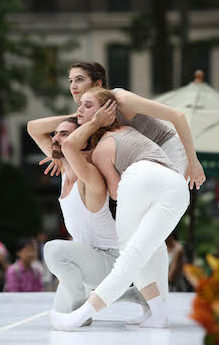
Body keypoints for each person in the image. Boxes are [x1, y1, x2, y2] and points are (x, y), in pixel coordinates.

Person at [49, 87, 190, 331]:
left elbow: (115, 191)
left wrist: (94, 125)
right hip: (176, 188)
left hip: (139, 178)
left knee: (130, 255)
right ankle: (158, 315)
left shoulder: (104, 147)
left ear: (108, 112)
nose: (80, 109)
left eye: (88, 105)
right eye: (80, 105)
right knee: (145, 252)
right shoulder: (130, 130)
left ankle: (81, 314)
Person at [28, 117, 149, 323]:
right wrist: (83, 116)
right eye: (55, 134)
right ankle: (132, 294)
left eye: (64, 134)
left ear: (83, 142)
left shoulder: (89, 175)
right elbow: (33, 128)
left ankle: (81, 309)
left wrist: (90, 124)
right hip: (89, 260)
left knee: (53, 250)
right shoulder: (65, 170)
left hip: (112, 260)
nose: (55, 139)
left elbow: (74, 150)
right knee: (57, 312)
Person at [39, 61, 205, 191]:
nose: (73, 86)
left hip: (167, 148)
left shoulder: (122, 100)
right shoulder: (87, 115)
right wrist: (59, 154)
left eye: (79, 80)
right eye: (71, 81)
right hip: (140, 159)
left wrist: (194, 162)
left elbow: (178, 116)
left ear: (98, 84)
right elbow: (34, 127)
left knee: (161, 200)